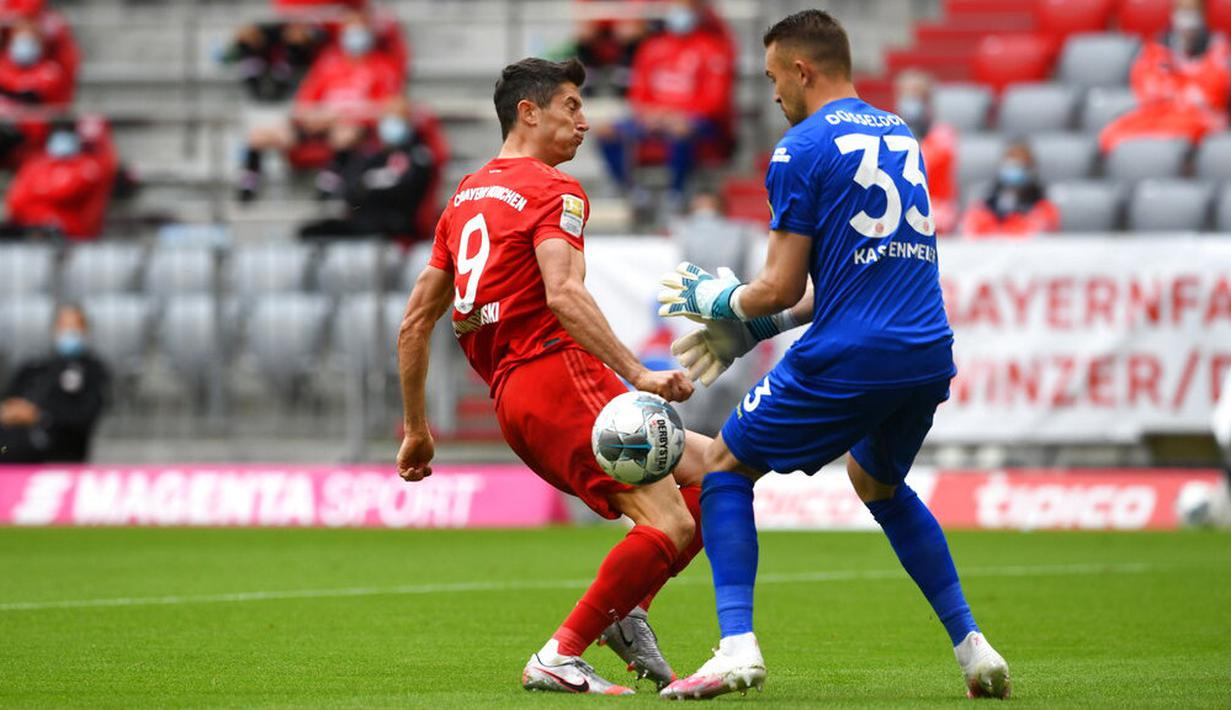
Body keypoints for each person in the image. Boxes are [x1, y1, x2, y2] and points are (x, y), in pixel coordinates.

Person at [655, 11, 1010, 700]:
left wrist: (723, 300)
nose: (772, 96)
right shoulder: (898, 133)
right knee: (876, 483)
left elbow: (779, 284)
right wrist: (757, 332)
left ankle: (735, 648)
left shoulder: (799, 148)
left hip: (854, 355)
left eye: (771, 79)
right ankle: (972, 648)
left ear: (801, 69)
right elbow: (850, 275)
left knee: (725, 468)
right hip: (927, 351)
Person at [396, 57, 713, 695]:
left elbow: (413, 323)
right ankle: (561, 652)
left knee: (717, 470)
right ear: (529, 112)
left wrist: (416, 429)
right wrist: (639, 374)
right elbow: (564, 295)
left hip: (515, 397)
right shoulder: (555, 190)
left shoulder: (463, 197)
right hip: (558, 373)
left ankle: (626, 613)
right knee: (670, 524)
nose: (585, 122)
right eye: (571, 106)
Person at [237, 9, 403, 201]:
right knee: (259, 135)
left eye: (360, 29)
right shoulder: (328, 63)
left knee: (345, 134)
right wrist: (314, 117)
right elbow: (304, 103)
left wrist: (340, 115)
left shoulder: (382, 66)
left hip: (352, 126)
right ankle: (248, 184)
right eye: (350, 29)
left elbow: (388, 107)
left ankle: (329, 182)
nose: (354, 35)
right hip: (317, 124)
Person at [596, 0, 735, 210]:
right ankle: (632, 192)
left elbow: (715, 101)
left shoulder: (712, 49)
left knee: (682, 131)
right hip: (654, 119)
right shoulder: (652, 47)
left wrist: (677, 116)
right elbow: (638, 95)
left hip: (697, 122)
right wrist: (653, 115)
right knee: (605, 132)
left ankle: (676, 195)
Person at [299, 98, 440, 241]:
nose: (390, 124)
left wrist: (368, 186)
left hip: (398, 224)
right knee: (312, 232)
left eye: (396, 118)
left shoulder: (417, 154)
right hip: (367, 220)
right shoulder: (373, 156)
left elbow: (405, 188)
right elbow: (350, 189)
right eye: (386, 118)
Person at [1100, 0, 1229, 152]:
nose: (1187, 19)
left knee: (1185, 129)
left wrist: (1184, 78)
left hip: (1196, 116)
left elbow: (1214, 92)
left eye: (1192, 11)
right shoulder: (1158, 46)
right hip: (1157, 113)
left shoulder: (1218, 48)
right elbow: (1147, 86)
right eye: (1182, 11)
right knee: (1113, 132)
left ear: (1203, 14)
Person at [0, 303, 110, 463]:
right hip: (12, 448)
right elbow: (9, 400)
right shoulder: (34, 366)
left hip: (61, 452)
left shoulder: (93, 370)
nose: (69, 332)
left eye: (75, 326)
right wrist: (10, 411)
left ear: (85, 330)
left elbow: (85, 415)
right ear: (54, 329)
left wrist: (39, 415)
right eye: (64, 325)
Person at [2, 117, 114, 240]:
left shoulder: (88, 166)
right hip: (30, 226)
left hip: (73, 233)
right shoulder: (37, 164)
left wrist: (40, 192)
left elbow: (66, 192)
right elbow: (17, 198)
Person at [894, 69, 957, 235]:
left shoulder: (943, 134)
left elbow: (922, 171)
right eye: (905, 97)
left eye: (916, 97)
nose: (909, 102)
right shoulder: (890, 133)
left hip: (937, 210)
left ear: (928, 101)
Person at [959, 140, 1059, 237]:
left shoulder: (1044, 206)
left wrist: (1008, 225)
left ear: (1030, 168)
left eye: (1020, 164)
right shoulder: (985, 201)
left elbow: (1036, 233)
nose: (1014, 167)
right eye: (1010, 162)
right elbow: (970, 229)